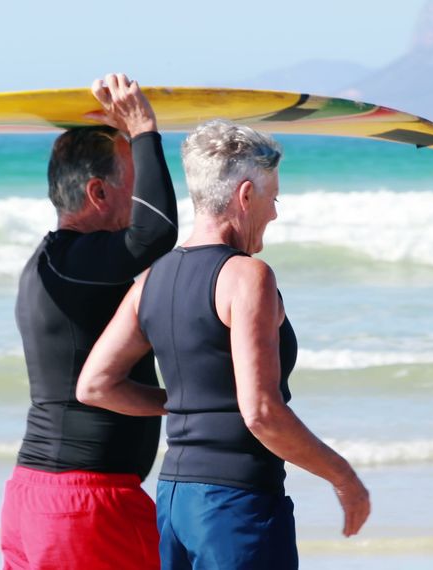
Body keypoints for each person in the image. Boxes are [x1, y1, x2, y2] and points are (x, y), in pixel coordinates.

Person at [77, 119, 370, 569]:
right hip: (235, 505)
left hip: (175, 503)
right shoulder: (248, 276)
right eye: (273, 199)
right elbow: (262, 414)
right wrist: (344, 478)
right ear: (245, 195)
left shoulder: (152, 279)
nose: (273, 213)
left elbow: (96, 385)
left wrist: (184, 404)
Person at [0, 74, 178, 570]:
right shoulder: (74, 260)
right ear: (99, 192)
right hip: (86, 506)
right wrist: (143, 129)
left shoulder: (58, 261)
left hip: (39, 498)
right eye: (136, 184)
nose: (146, 195)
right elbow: (156, 234)